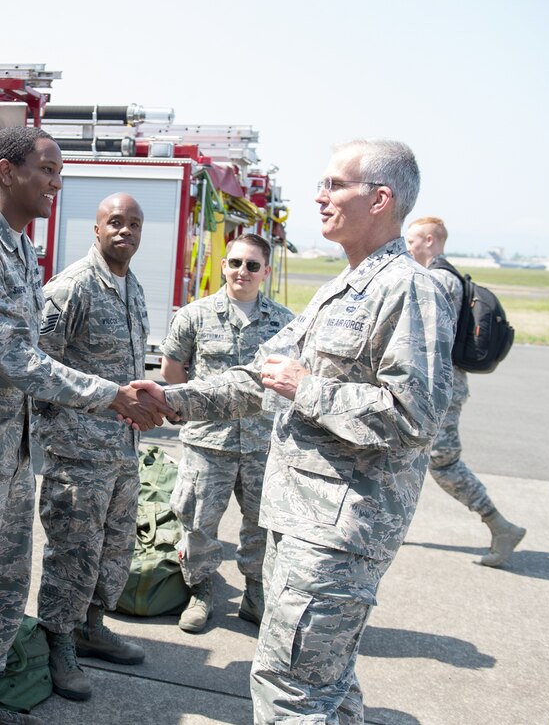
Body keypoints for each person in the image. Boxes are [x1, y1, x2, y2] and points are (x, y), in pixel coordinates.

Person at [137, 139, 455, 722]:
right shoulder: (344, 288)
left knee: (291, 688)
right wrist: (170, 399)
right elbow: (257, 381)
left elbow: (416, 415)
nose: (320, 195)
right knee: (325, 685)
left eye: (336, 185)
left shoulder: (410, 289)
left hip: (337, 530)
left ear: (381, 199)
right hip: (304, 519)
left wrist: (308, 388)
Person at [0, 127, 167, 725]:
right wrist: (109, 395)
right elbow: (18, 358)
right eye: (49, 170)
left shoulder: (17, 248)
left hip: (13, 452)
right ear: (7, 171)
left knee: (8, 587)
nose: (57, 183)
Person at [32, 193, 149, 701]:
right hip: (78, 455)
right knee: (73, 553)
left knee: (115, 548)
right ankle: (57, 641)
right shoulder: (72, 288)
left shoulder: (133, 288)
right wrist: (53, 439)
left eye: (134, 224)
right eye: (115, 223)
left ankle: (91, 625)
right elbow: (38, 366)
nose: (124, 232)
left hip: (122, 448)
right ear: (96, 230)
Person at [159, 233, 295, 633]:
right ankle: (200, 592)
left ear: (266, 272)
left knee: (261, 525)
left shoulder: (284, 323)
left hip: (261, 445)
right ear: (223, 266)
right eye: (235, 263)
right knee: (199, 523)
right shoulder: (193, 315)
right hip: (207, 444)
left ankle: (256, 594)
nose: (242, 272)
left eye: (253, 265)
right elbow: (172, 371)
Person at [405, 216, 526, 566]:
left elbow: (426, 339)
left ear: (430, 240)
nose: (408, 246)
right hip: (438, 385)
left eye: (412, 240)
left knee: (443, 462)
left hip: (439, 388)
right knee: (409, 456)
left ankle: (500, 524)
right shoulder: (445, 277)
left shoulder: (440, 280)